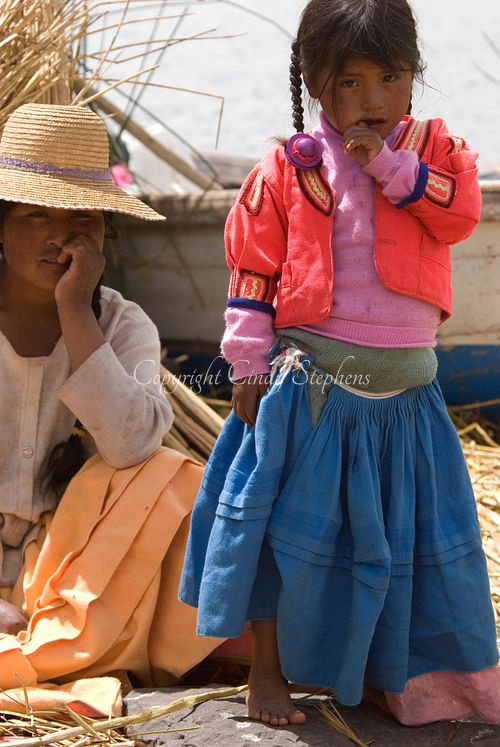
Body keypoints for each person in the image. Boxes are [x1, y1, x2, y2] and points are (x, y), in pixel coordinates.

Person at [179, 0, 500, 729]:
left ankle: (397, 675)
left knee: (408, 546)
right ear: (316, 85)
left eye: (389, 77)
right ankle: (268, 671)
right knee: (278, 534)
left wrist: (390, 167)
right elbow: (253, 273)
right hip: (310, 393)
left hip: (407, 405)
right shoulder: (289, 170)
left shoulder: (436, 155)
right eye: (349, 82)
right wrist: (245, 362)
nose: (371, 101)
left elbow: (457, 215)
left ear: (413, 79)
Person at [0, 102, 219, 693]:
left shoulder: (121, 324)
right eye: (36, 214)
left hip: (63, 565)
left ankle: (49, 636)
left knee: (174, 475)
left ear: (104, 227)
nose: (61, 235)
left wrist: (76, 310)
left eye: (81, 216)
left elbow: (130, 447)